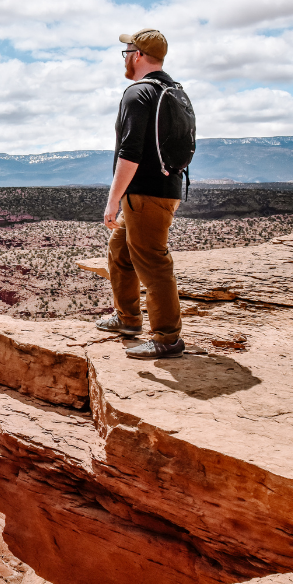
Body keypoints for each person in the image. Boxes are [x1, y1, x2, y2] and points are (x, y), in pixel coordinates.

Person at [96, 28, 185, 359]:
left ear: (137, 56)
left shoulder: (138, 94)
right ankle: (128, 318)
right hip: (165, 187)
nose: (126, 58)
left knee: (152, 261)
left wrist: (112, 201)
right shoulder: (173, 91)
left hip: (145, 193)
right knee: (120, 250)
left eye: (127, 52)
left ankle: (167, 338)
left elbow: (129, 153)